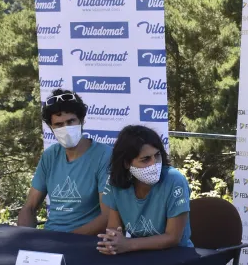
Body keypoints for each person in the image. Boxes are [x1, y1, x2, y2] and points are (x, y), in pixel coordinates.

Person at [17, 89, 111, 233]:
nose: (66, 128)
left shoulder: (104, 155)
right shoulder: (50, 155)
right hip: (50, 238)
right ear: (51, 127)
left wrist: (65, 241)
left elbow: (107, 217)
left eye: (70, 121)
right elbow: (29, 207)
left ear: (81, 120)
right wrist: (24, 238)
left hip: (85, 243)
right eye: (59, 124)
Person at [97, 125, 191, 254]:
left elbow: (173, 238)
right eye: (146, 159)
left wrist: (128, 244)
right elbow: (114, 229)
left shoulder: (174, 180)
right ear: (126, 163)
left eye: (157, 156)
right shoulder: (116, 183)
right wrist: (112, 243)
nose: (154, 164)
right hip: (138, 256)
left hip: (176, 256)